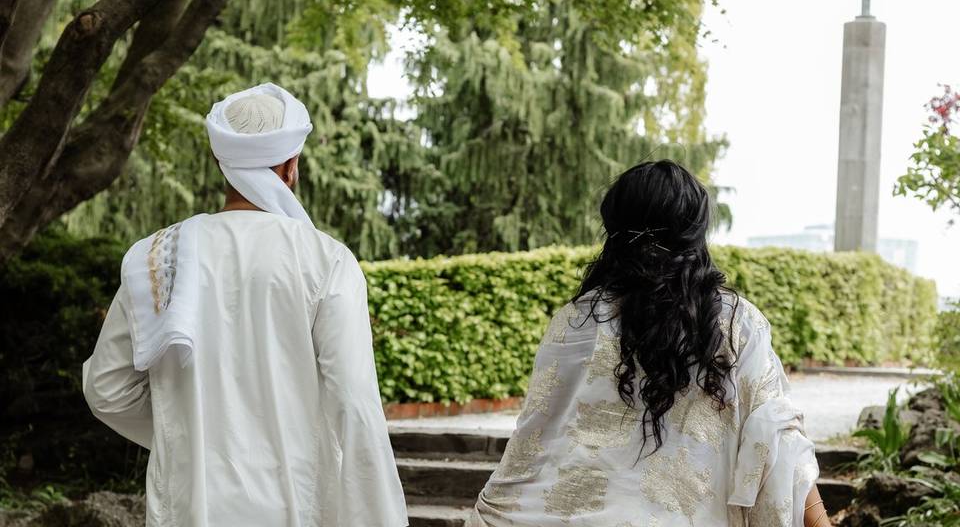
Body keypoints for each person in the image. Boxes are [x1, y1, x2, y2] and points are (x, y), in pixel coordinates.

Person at [82, 83, 407, 527]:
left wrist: (189, 434)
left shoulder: (157, 256)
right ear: (291, 167)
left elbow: (107, 390)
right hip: (295, 502)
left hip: (189, 505)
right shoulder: (326, 259)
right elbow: (354, 403)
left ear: (222, 164)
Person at [469, 160, 826, 527]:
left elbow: (533, 441)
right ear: (695, 232)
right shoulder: (737, 323)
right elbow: (779, 441)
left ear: (614, 229)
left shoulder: (577, 320)